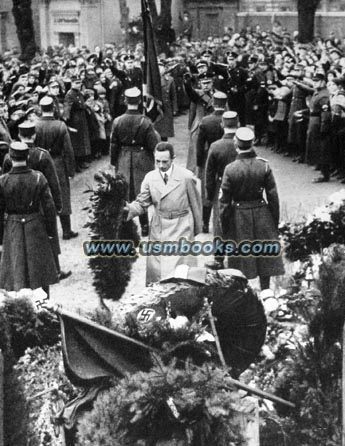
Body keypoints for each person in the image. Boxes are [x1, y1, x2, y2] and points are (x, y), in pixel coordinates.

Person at [126, 142, 202, 285]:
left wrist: (197, 227)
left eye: (165, 162)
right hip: (159, 227)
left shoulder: (186, 177)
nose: (161, 165)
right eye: (157, 161)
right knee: (158, 273)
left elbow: (196, 204)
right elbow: (142, 202)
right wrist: (126, 211)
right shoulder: (150, 178)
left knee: (181, 272)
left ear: (173, 159)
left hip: (181, 227)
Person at [219, 127, 285, 290]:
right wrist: (273, 221)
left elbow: (224, 202)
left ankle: (243, 294)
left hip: (239, 215)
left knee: (241, 257)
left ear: (236, 143)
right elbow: (273, 197)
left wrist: (225, 224)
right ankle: (266, 292)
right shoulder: (263, 166)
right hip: (262, 212)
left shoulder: (230, 169)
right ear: (253, 142)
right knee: (264, 255)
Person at [0, 141, 58, 295]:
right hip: (36, 225)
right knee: (40, 272)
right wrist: (51, 232)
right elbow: (49, 208)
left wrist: (0, 240)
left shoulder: (3, 181)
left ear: (10, 158)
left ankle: (23, 309)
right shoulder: (38, 178)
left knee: (16, 272)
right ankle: (45, 306)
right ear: (27, 156)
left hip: (12, 226)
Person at [110, 87, 160, 237]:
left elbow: (114, 145)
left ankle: (125, 224)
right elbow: (153, 145)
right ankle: (144, 225)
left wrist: (114, 162)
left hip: (123, 158)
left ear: (125, 101)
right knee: (141, 192)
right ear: (139, 102)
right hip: (142, 159)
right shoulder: (146, 121)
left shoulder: (117, 121)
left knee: (124, 191)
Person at [35, 96, 78, 240]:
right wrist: (71, 170)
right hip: (57, 162)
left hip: (40, 162)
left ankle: (47, 231)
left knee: (43, 195)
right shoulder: (60, 125)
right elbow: (68, 150)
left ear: (40, 109)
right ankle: (66, 230)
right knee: (62, 194)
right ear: (53, 108)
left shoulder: (35, 125)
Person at [205, 111, 239, 269]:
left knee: (219, 224)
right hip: (240, 185)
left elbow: (209, 174)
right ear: (238, 124)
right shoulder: (243, 144)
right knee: (239, 220)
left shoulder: (216, 146)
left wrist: (209, 194)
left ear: (222, 125)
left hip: (220, 185)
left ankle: (218, 258)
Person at [196, 90, 227, 233]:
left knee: (208, 190)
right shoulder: (231, 119)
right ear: (225, 104)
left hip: (209, 157)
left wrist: (199, 162)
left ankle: (205, 223)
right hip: (227, 157)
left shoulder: (206, 121)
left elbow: (199, 144)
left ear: (213, 103)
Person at [64, 75, 91, 172]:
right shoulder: (69, 94)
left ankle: (81, 161)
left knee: (82, 141)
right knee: (76, 142)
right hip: (75, 120)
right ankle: (76, 165)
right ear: (72, 83)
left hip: (81, 119)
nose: (78, 85)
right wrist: (66, 118)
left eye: (79, 83)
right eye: (76, 83)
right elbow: (68, 107)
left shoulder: (79, 93)